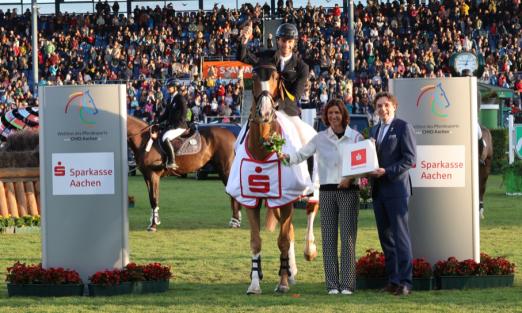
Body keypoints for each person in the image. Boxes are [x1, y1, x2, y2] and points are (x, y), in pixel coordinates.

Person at [279, 99, 363, 295]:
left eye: (337, 113)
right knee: (328, 239)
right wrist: (286, 157)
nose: (334, 116)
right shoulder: (320, 138)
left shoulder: (356, 137)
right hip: (326, 192)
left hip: (348, 191)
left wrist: (349, 179)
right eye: (330, 113)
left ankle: (348, 284)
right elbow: (300, 155)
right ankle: (332, 284)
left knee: (348, 239)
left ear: (343, 115)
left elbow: (362, 165)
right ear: (326, 116)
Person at [369, 91, 416, 296]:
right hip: (379, 191)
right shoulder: (374, 130)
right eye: (379, 106)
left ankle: (406, 282)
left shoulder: (403, 127)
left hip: (397, 190)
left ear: (394, 106)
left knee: (401, 237)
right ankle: (393, 280)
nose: (383, 109)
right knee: (386, 238)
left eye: (386, 105)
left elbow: (410, 159)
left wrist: (387, 171)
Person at [238, 22, 315, 146]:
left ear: (294, 42)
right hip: (262, 109)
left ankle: (311, 165)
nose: (286, 45)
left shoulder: (302, 67)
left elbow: (295, 96)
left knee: (306, 140)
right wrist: (244, 41)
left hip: (288, 110)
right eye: (283, 40)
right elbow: (244, 58)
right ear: (278, 41)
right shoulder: (268, 57)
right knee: (238, 142)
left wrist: (277, 105)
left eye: (290, 41)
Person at [157, 79, 188, 169]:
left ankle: (172, 161)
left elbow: (184, 113)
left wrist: (175, 125)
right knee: (161, 135)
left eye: (169, 87)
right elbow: (166, 114)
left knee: (165, 137)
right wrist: (157, 121)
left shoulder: (180, 98)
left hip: (179, 126)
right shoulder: (171, 98)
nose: (168, 88)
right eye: (167, 87)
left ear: (175, 88)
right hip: (172, 126)